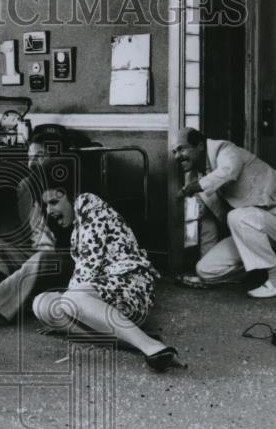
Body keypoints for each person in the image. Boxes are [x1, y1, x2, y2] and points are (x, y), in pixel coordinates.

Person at [30, 158, 179, 372]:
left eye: (54, 202)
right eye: (45, 205)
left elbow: (88, 268)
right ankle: (132, 340)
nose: (49, 211)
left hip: (130, 290)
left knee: (70, 298)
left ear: (71, 194)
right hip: (103, 297)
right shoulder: (78, 225)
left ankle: (151, 346)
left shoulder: (88, 204)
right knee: (41, 303)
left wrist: (67, 313)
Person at [171, 127, 276, 298]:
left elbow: (228, 172)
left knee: (238, 217)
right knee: (205, 270)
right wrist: (205, 272)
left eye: (181, 148)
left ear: (200, 145)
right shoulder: (194, 176)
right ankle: (256, 270)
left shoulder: (225, 150)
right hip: (257, 228)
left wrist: (191, 189)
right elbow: (207, 223)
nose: (177, 156)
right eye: (174, 152)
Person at [0, 128, 76, 325]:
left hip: (66, 258)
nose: (31, 162)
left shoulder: (73, 183)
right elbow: (29, 233)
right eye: (29, 157)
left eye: (40, 156)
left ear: (58, 158)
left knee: (43, 257)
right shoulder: (27, 185)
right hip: (34, 257)